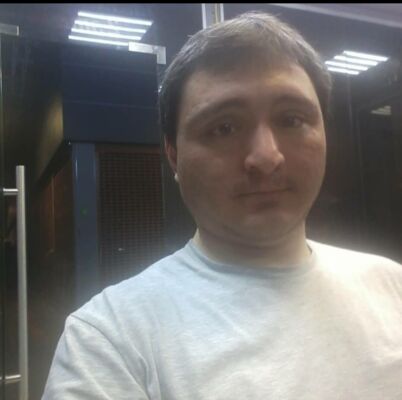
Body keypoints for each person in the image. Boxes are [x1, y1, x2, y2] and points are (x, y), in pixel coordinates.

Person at [42, 11, 402, 400]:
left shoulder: (390, 285)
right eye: (224, 128)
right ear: (174, 156)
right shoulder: (109, 343)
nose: (267, 157)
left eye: (292, 119)